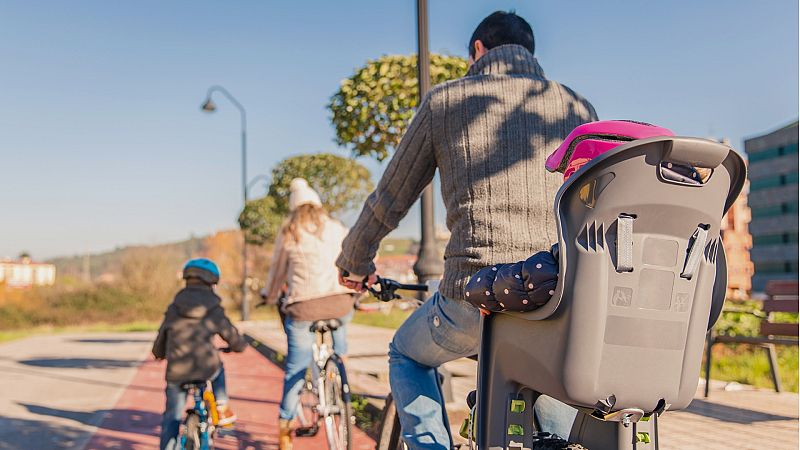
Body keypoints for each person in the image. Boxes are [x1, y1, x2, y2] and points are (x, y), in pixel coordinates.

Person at [337, 11, 598, 449]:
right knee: (552, 411)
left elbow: (390, 198)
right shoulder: (577, 106)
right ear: (528, 52)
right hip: (558, 296)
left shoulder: (446, 102)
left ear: (478, 50)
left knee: (406, 354)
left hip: (475, 297)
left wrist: (354, 261)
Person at [263, 178, 356, 450]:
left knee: (295, 367)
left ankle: (285, 429)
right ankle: (339, 377)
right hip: (339, 302)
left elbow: (276, 272)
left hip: (303, 307)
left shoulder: (290, 231)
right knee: (341, 335)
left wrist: (268, 296)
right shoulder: (337, 228)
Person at [152, 258, 248, 450]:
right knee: (218, 367)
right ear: (212, 282)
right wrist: (238, 346)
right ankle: (221, 406)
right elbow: (230, 334)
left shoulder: (175, 307)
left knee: (171, 417)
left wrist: (159, 353)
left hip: (177, 371)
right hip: (206, 368)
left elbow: (162, 336)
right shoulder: (213, 307)